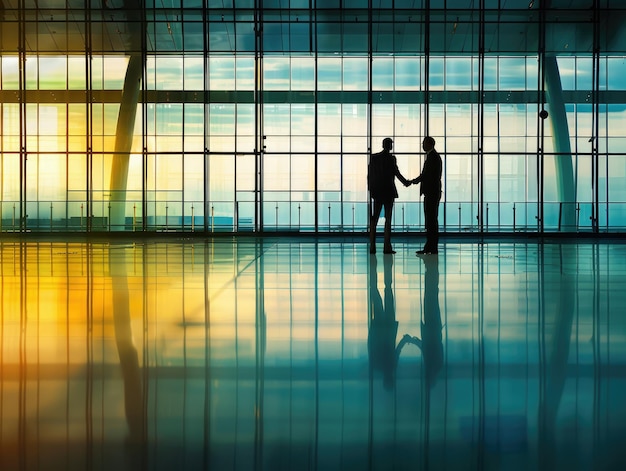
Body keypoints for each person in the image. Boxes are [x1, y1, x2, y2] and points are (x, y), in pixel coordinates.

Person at [368, 137, 410, 254]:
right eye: (390, 143)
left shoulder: (374, 158)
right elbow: (396, 172)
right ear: (389, 145)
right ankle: (387, 247)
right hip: (388, 191)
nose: (391, 145)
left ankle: (372, 246)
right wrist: (406, 182)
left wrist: (371, 190)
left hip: (377, 192)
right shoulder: (391, 159)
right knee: (388, 219)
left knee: (374, 219)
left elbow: (370, 175)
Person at [411, 136, 442, 255]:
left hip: (432, 193)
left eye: (423, 143)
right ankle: (430, 246)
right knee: (431, 220)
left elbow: (426, 175)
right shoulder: (433, 156)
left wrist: (413, 181)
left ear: (430, 144)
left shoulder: (433, 157)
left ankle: (431, 247)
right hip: (432, 193)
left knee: (431, 221)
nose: (422, 145)